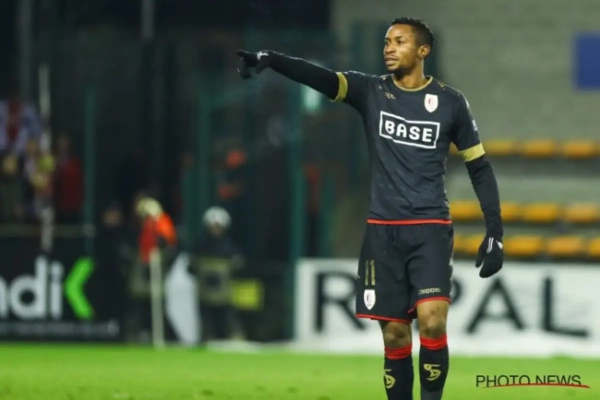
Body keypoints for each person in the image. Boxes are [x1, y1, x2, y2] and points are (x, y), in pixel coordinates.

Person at [236, 17, 504, 400]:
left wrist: (494, 231)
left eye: (399, 42)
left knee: (432, 321)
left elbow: (479, 167)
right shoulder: (371, 91)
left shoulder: (450, 102)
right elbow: (322, 78)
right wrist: (273, 59)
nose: (389, 48)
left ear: (423, 50)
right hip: (382, 233)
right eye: (386, 42)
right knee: (395, 334)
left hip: (429, 228)